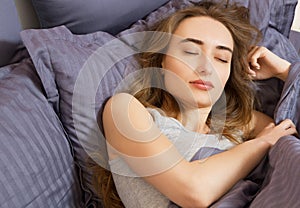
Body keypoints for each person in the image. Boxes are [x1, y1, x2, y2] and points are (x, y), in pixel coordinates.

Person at [97, 1, 297, 207]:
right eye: (191, 52)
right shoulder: (126, 110)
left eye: (221, 58)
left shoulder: (244, 124)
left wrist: (285, 71)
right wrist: (261, 143)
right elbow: (193, 191)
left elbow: (292, 140)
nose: (206, 67)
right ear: (161, 59)